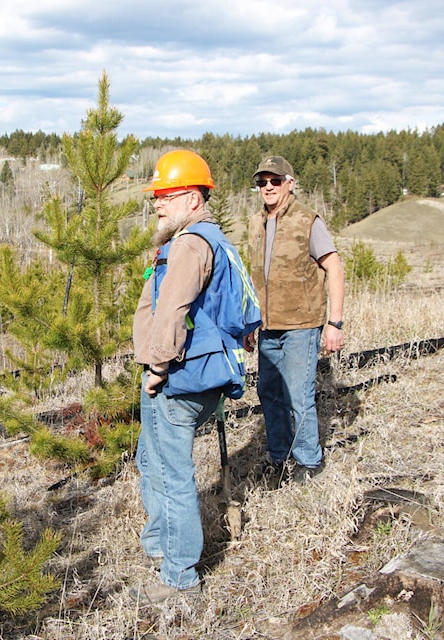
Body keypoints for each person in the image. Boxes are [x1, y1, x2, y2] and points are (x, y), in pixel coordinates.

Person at [131, 149, 260, 605]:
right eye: (155, 197)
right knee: (153, 463)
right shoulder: (212, 239)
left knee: (171, 473)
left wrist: (157, 367)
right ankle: (161, 547)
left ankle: (179, 574)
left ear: (190, 197)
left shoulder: (189, 244)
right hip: (201, 372)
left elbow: (173, 309)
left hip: (177, 377)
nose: (157, 204)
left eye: (164, 195)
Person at [246, 155, 345, 487]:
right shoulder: (254, 224)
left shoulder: (308, 221)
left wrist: (335, 323)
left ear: (290, 182)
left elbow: (334, 267)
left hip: (302, 324)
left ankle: (308, 462)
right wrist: (248, 323)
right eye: (262, 182)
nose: (268, 187)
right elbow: (252, 279)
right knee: (268, 391)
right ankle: (279, 457)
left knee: (298, 393)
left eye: (275, 181)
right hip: (267, 326)